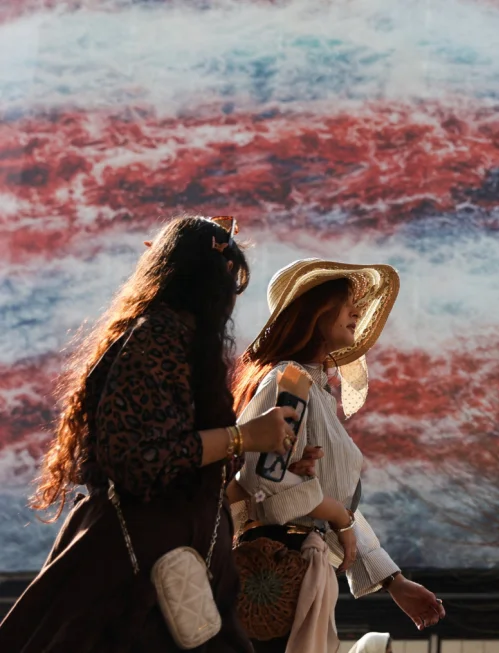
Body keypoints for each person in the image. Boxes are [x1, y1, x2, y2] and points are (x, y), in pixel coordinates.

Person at [0, 215, 297, 652]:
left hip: (175, 563)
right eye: (227, 281)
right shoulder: (156, 336)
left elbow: (191, 466)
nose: (230, 298)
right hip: (134, 573)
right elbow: (140, 459)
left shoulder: (181, 340)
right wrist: (243, 438)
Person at [230, 258, 446, 652]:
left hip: (303, 571)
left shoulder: (312, 389)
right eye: (347, 302)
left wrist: (392, 580)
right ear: (316, 311)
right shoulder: (290, 381)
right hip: (282, 571)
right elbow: (263, 481)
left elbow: (329, 500)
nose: (358, 312)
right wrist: (336, 516)